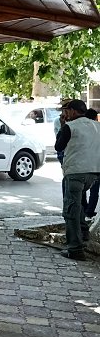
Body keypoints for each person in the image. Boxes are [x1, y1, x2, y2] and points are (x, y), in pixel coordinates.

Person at [55, 99, 100, 260]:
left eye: (66, 111)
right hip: (94, 173)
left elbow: (58, 147)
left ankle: (75, 248)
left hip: (75, 172)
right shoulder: (97, 126)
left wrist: (62, 127)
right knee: (80, 202)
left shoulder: (70, 126)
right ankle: (84, 233)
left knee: (71, 211)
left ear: (73, 111)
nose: (64, 114)